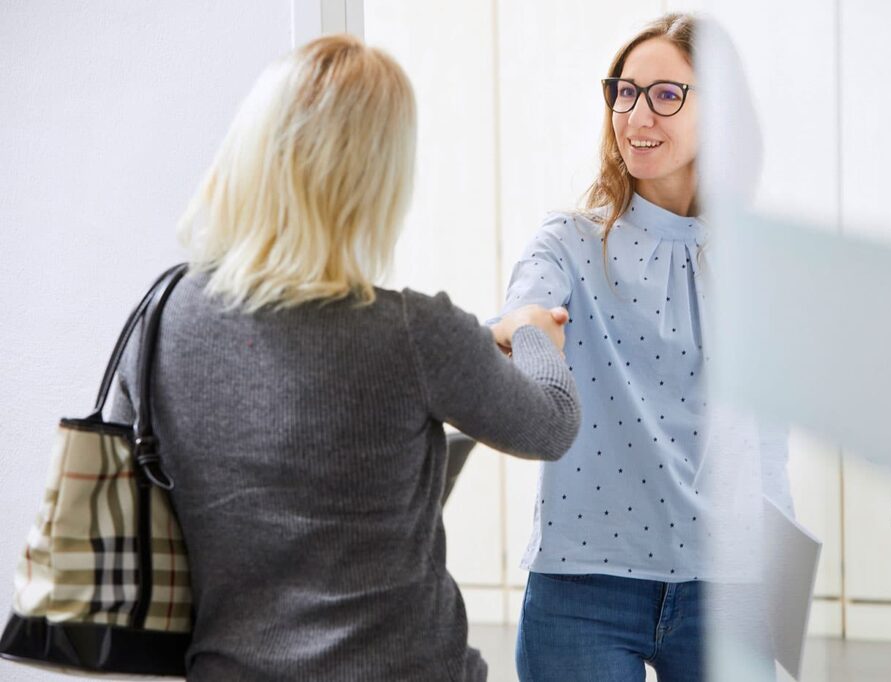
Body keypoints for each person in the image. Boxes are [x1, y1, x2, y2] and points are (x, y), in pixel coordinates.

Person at [111, 34, 581, 681]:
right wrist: (530, 332)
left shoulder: (162, 316)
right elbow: (552, 422)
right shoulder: (417, 332)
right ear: (376, 178)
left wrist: (476, 341)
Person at [495, 13, 791, 682]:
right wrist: (523, 330)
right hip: (585, 586)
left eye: (665, 95)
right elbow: (520, 314)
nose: (635, 116)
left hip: (729, 585)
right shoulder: (569, 242)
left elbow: (767, 443)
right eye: (624, 92)